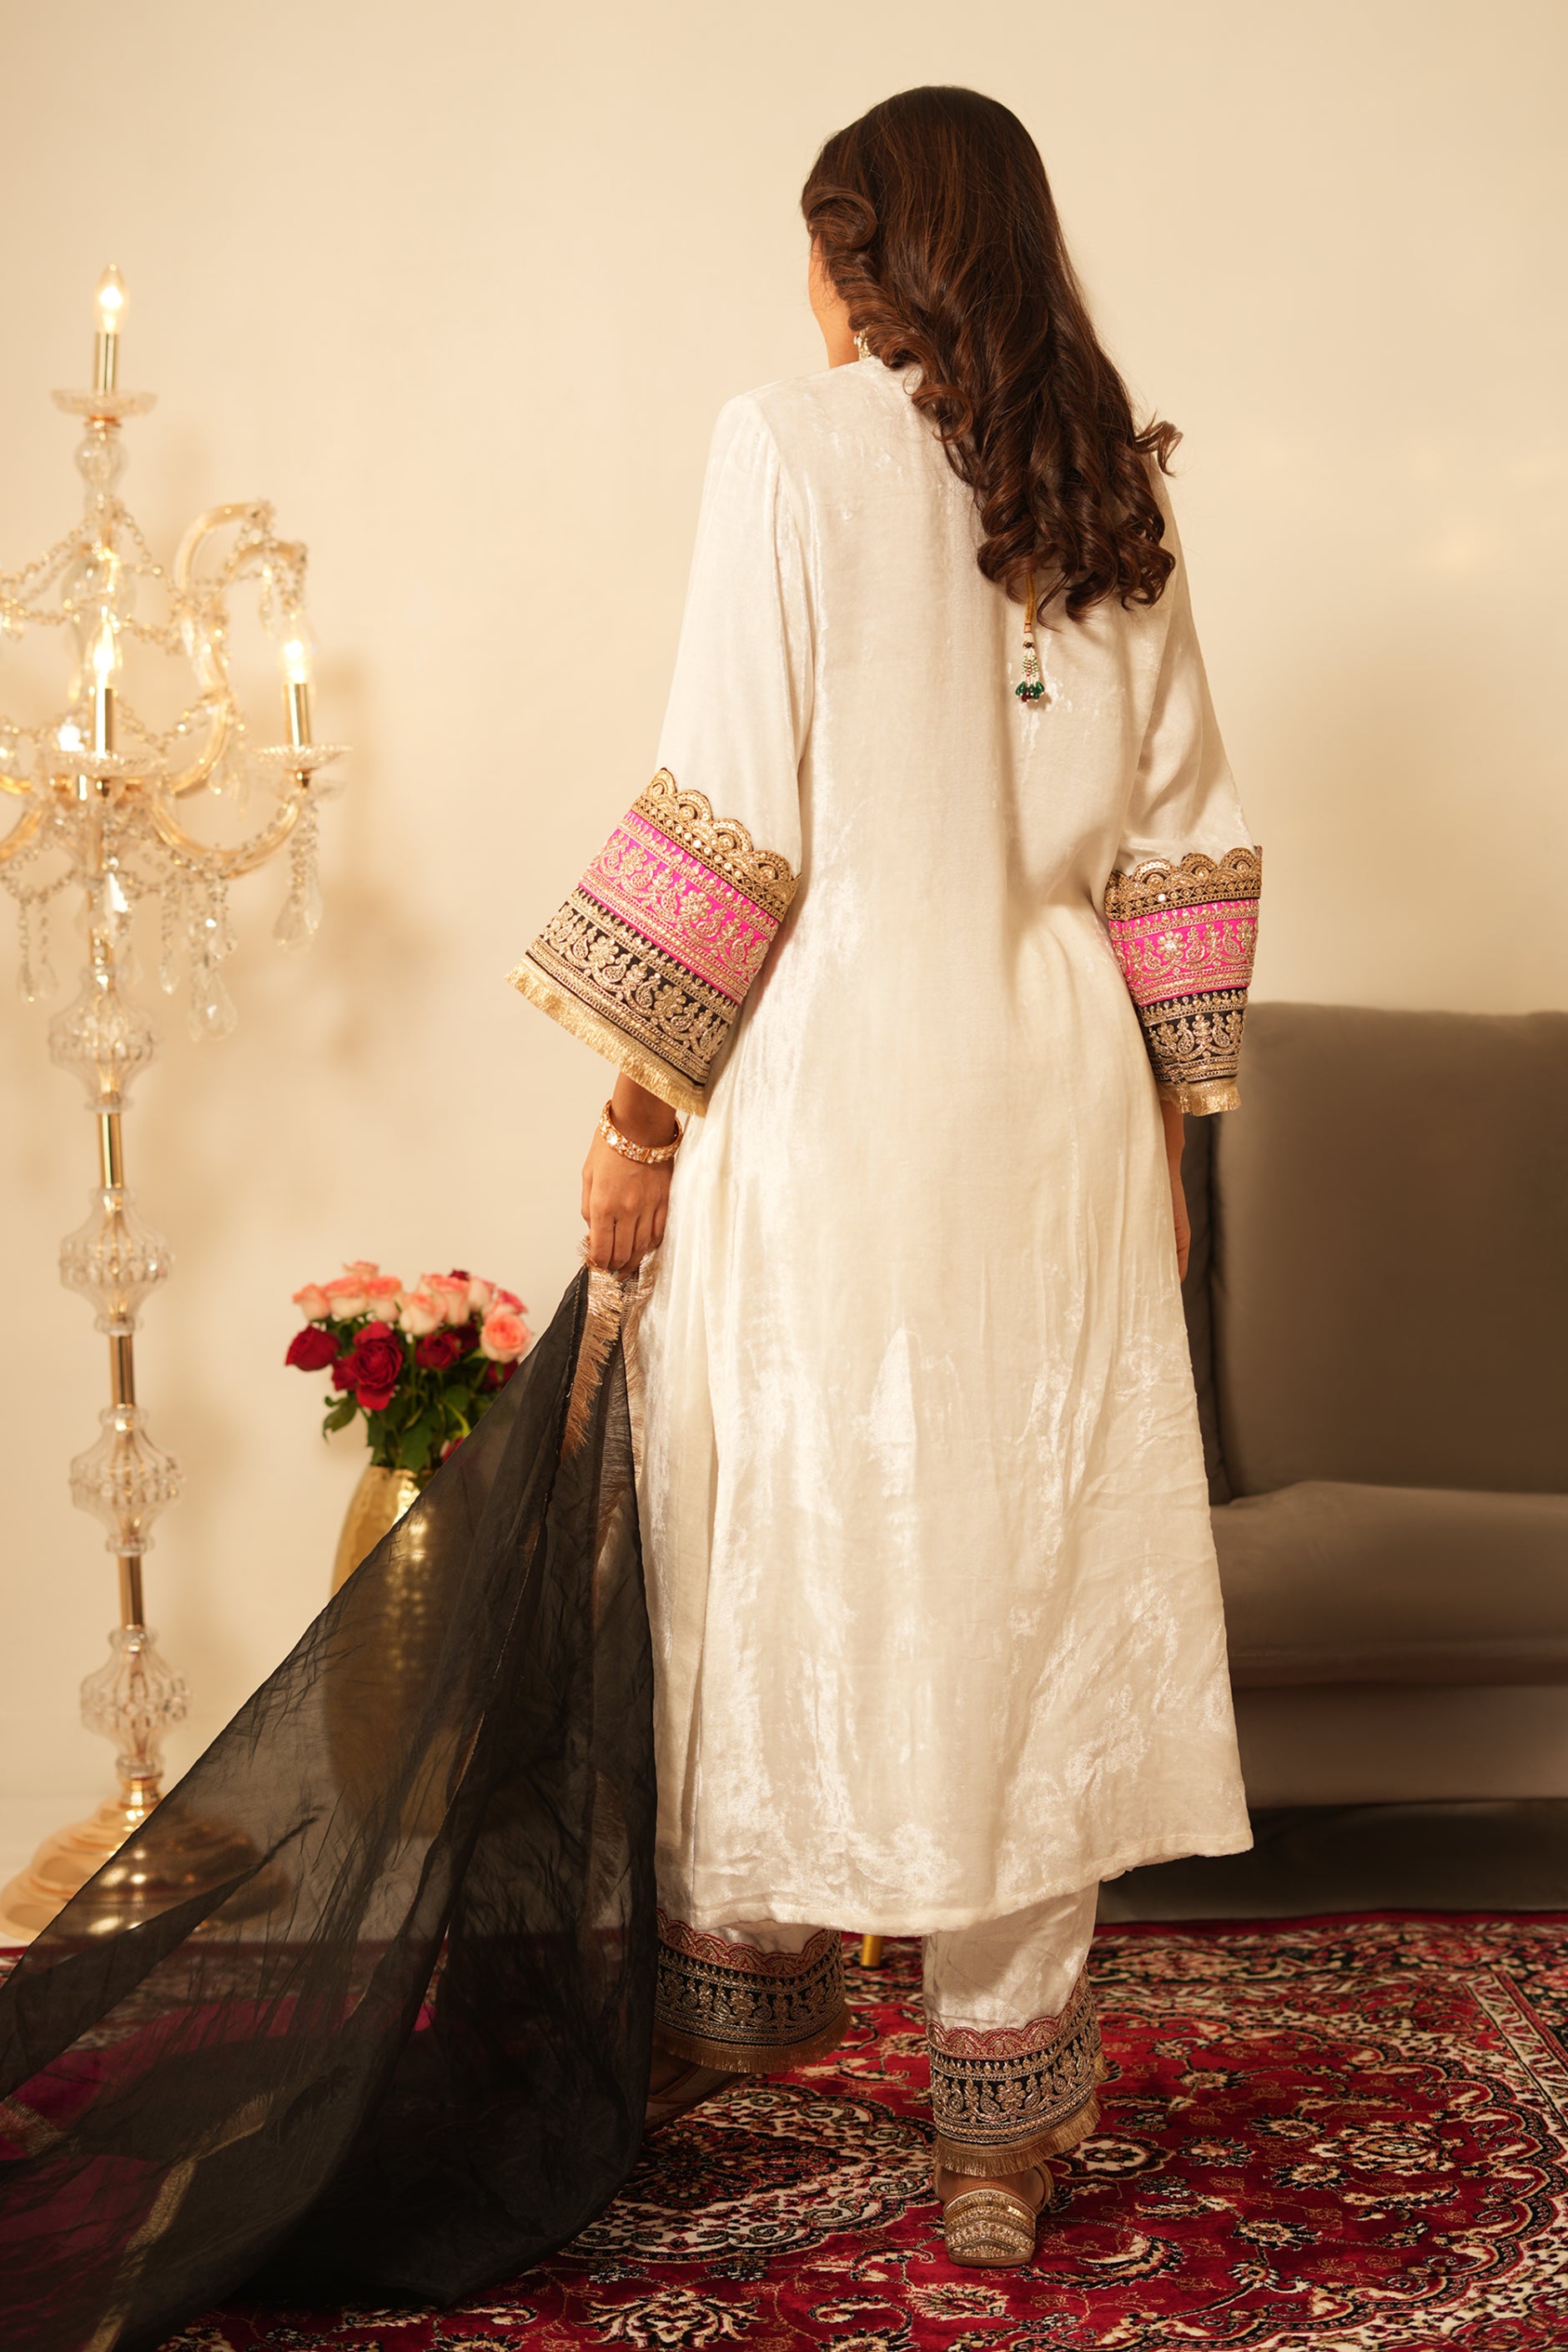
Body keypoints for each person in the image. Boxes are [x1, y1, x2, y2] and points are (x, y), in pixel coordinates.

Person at [510, 83, 1259, 2269]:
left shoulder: (791, 443)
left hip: (844, 1086)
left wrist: (636, 1116)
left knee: (799, 1525)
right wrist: (1181, 1132)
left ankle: (729, 2006)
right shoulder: (1114, 478)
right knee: (1018, 1567)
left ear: (860, 260)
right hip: (1061, 1101)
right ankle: (997, 2132)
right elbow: (1183, 827)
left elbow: (733, 811)